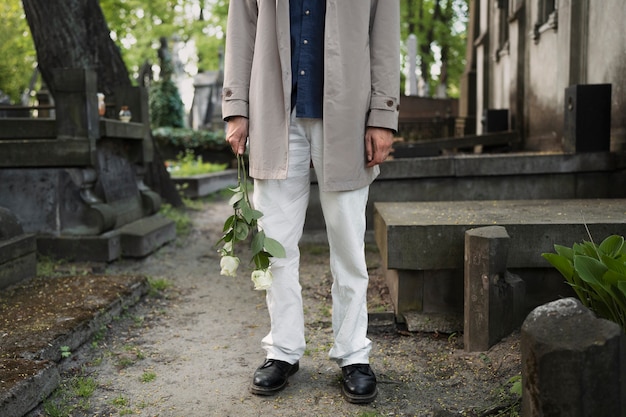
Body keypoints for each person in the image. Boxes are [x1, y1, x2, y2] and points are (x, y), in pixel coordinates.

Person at [222, 0, 399, 404]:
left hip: (349, 117)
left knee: (349, 247)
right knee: (275, 246)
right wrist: (236, 108)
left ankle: (353, 353)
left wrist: (382, 115)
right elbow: (242, 28)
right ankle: (282, 350)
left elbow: (384, 35)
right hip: (274, 114)